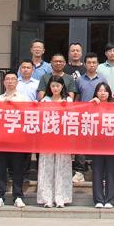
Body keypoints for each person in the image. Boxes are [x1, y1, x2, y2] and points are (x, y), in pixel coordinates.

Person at [0, 71, 31, 208]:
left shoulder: (23, 99)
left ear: (17, 82)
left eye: (13, 79)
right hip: (1, 140)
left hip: (18, 140)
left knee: (18, 169)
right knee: (1, 169)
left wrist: (14, 105)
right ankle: (0, 196)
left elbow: (28, 116)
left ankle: (18, 196)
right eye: (7, 79)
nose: (10, 81)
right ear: (3, 82)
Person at [37, 77, 74, 208]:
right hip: (47, 137)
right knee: (46, 167)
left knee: (62, 167)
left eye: (58, 86)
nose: (55, 88)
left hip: (63, 138)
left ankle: (61, 198)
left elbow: (73, 118)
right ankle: (47, 198)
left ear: (62, 86)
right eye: (53, 86)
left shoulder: (68, 100)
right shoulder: (44, 101)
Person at [88, 82, 114, 208]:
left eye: (105, 90)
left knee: (111, 172)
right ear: (96, 93)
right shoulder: (92, 105)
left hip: (112, 144)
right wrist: (90, 103)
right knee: (97, 172)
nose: (102, 93)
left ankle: (110, 200)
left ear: (109, 93)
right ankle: (98, 199)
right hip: (97, 144)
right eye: (100, 90)